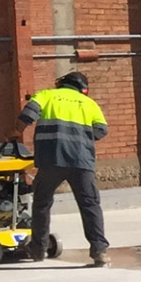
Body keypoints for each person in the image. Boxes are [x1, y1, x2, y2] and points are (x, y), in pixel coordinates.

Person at [10, 72, 110, 267]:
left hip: (51, 160)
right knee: (90, 206)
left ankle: (38, 249)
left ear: (61, 84)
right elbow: (101, 129)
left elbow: (28, 115)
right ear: (82, 89)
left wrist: (15, 131)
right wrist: (81, 140)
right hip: (82, 162)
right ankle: (99, 252)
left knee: (42, 203)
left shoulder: (46, 95)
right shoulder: (89, 104)